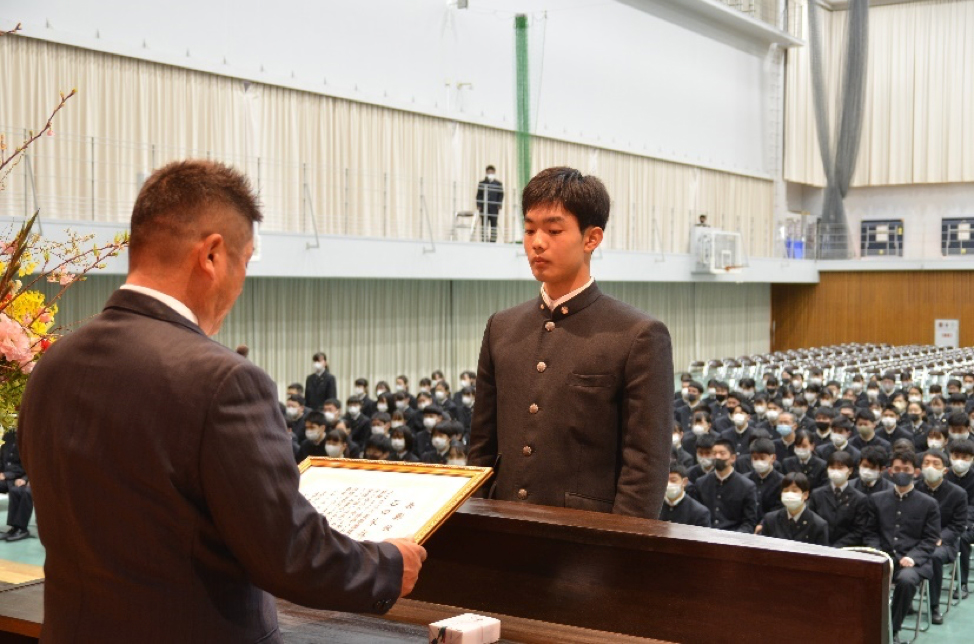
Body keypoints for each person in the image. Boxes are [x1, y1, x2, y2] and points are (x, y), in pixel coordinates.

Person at [17, 160, 426, 641]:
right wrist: (387, 564)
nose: (242, 281)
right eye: (246, 261)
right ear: (212, 255)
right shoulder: (223, 381)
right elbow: (290, 554)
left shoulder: (53, 365)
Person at [468, 167, 674, 518]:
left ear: (591, 239)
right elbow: (482, 447)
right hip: (502, 532)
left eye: (553, 230)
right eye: (530, 229)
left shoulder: (637, 334)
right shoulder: (502, 327)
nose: (536, 242)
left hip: (585, 545)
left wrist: (618, 549)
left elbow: (644, 466)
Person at [865, 449, 941, 643]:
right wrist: (878, 553)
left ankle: (892, 629)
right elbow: (870, 533)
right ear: (890, 471)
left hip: (913, 563)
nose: (901, 472)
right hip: (883, 557)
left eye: (906, 469)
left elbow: (930, 539)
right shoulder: (877, 499)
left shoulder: (929, 504)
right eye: (897, 468)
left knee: (907, 581)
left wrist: (914, 557)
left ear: (915, 472)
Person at [915, 449, 967, 624]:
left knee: (934, 556)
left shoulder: (958, 493)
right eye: (926, 463)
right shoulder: (914, 488)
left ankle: (933, 605)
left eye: (935, 464)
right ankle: (905, 601)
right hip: (917, 540)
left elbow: (958, 526)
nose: (930, 467)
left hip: (944, 543)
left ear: (945, 470)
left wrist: (939, 538)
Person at [694, 439, 759, 533]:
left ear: (733, 458)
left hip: (733, 538)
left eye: (722, 453)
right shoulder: (701, 483)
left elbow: (749, 522)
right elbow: (697, 515)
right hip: (705, 535)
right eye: (714, 453)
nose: (717, 457)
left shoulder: (747, 486)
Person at [807, 452, 869, 548]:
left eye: (840, 468)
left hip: (846, 550)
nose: (835, 471)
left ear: (850, 470)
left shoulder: (859, 499)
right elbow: (812, 523)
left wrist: (837, 547)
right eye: (832, 468)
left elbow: (858, 530)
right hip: (820, 547)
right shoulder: (817, 494)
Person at [759, 472, 829, 546]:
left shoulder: (818, 525)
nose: (789, 494)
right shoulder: (770, 519)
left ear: (805, 495)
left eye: (794, 491)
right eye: (786, 490)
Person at [947, 439, 974, 599]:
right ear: (950, 456)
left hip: (970, 524)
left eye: (965, 457)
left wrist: (962, 523)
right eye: (956, 456)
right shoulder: (944, 475)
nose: (960, 461)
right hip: (945, 522)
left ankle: (962, 583)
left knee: (962, 538)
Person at [475, 165, 504, 242]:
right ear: (486, 173)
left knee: (494, 225)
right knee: (484, 224)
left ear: (494, 172)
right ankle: (484, 240)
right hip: (484, 207)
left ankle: (493, 240)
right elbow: (479, 195)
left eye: (491, 172)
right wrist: (478, 205)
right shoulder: (482, 183)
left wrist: (499, 204)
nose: (490, 173)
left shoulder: (498, 184)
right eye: (488, 172)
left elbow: (501, 194)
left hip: (494, 208)